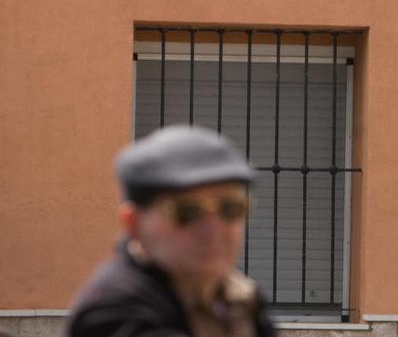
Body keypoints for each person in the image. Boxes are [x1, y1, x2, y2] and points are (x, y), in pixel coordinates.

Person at [66, 126, 276, 337]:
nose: (213, 229)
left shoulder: (240, 299)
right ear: (134, 224)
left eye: (230, 208)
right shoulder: (113, 311)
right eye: (188, 212)